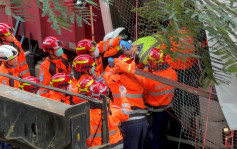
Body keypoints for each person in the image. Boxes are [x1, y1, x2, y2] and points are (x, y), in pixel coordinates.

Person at [140, 48, 178, 149]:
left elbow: (144, 91)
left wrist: (146, 69)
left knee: (154, 135)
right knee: (163, 134)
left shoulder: (149, 78)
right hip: (167, 110)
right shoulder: (172, 73)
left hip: (154, 112)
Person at [115, 55, 148, 149]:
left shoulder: (116, 79)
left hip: (129, 122)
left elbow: (107, 75)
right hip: (143, 121)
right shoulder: (139, 77)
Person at [86, 81, 131, 148]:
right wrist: (123, 96)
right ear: (106, 94)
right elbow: (126, 112)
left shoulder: (85, 114)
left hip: (95, 146)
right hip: (116, 145)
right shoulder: (114, 112)